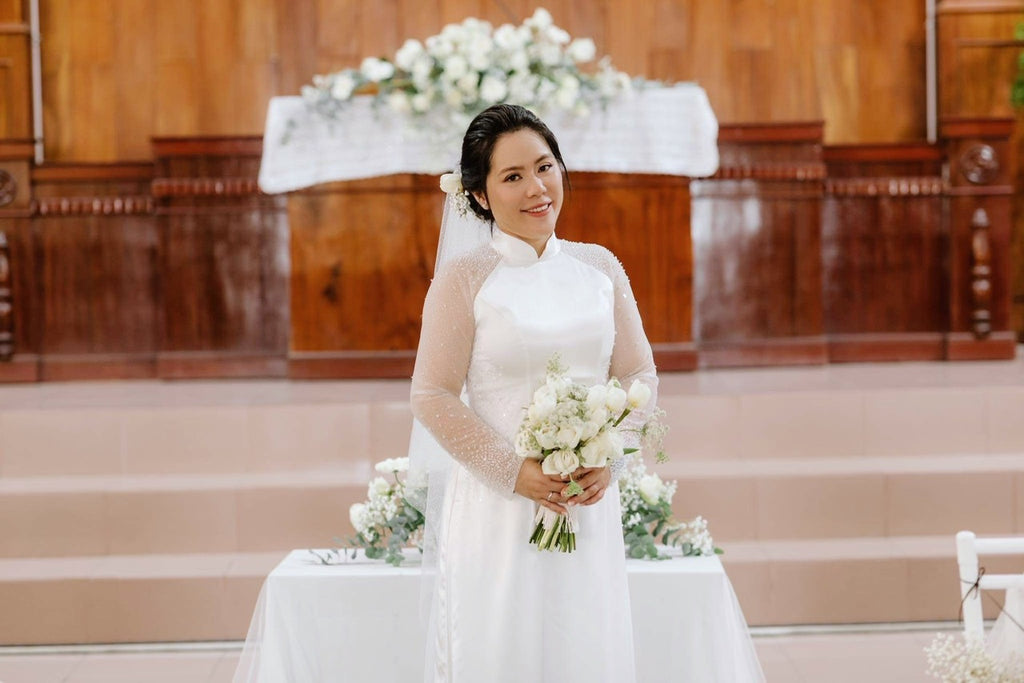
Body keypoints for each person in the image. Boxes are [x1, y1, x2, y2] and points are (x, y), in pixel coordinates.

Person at [409, 103, 657, 683]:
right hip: (500, 511)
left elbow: (639, 376)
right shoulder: (465, 278)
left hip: (587, 504)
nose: (536, 188)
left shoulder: (601, 269)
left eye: (545, 168)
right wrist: (511, 471)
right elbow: (432, 394)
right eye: (513, 177)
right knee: (501, 654)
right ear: (479, 195)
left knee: (585, 652)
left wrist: (611, 455)